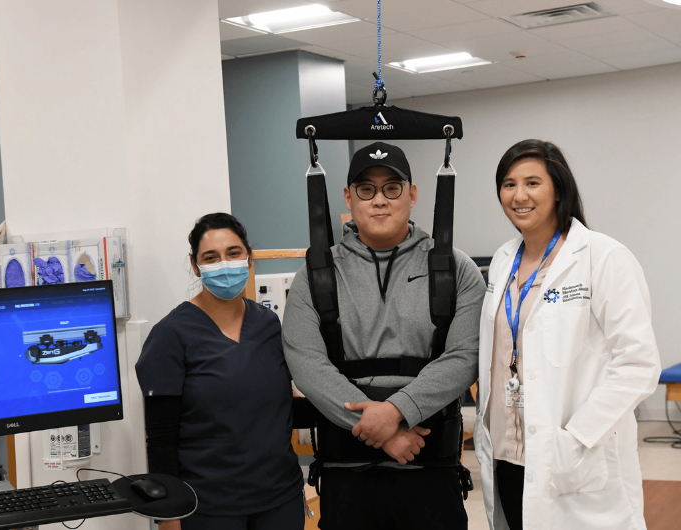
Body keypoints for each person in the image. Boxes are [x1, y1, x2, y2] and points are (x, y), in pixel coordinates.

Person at [283, 142, 486, 529]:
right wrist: (381, 432)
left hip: (430, 468)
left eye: (392, 188)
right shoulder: (316, 275)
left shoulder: (455, 269)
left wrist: (396, 411)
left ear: (412, 195)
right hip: (348, 476)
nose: (379, 200)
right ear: (347, 197)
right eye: (366, 189)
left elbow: (465, 356)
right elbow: (306, 361)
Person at [475, 140, 661, 530]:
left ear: (558, 189)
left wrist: (575, 438)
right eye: (508, 185)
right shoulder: (503, 261)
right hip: (508, 455)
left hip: (574, 456)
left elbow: (638, 364)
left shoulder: (603, 257)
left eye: (532, 183)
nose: (519, 195)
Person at [135, 213, 304, 530]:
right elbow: (160, 439)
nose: (224, 264)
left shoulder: (268, 324)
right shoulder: (170, 336)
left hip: (281, 498)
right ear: (196, 265)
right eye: (211, 257)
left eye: (233, 253)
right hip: (209, 508)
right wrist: (167, 516)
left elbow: (274, 408)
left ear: (249, 257)